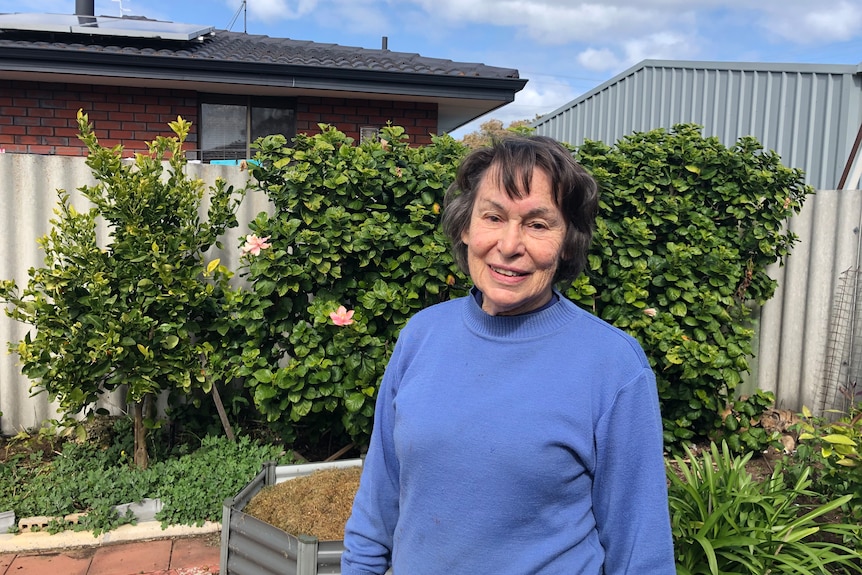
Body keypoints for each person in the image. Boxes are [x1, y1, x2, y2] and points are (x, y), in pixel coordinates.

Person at [341, 135, 676, 574]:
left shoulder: (612, 366)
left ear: (568, 242)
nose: (510, 244)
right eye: (493, 216)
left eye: (538, 224)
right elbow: (378, 498)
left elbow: (640, 548)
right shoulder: (421, 336)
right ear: (466, 227)